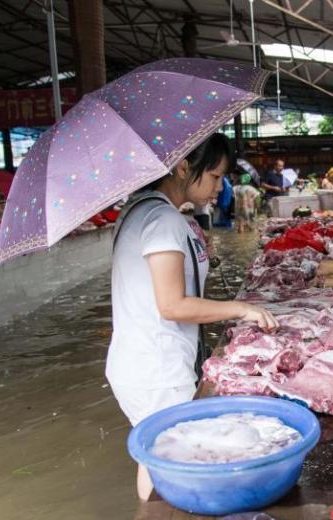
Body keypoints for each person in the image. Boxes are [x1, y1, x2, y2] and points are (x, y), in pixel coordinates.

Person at [105, 133, 278, 500]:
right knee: (166, 463)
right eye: (215, 176)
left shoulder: (146, 210)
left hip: (145, 360)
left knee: (157, 456)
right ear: (183, 166)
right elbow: (173, 306)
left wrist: (196, 249)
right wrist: (241, 308)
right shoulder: (162, 219)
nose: (221, 186)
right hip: (156, 367)